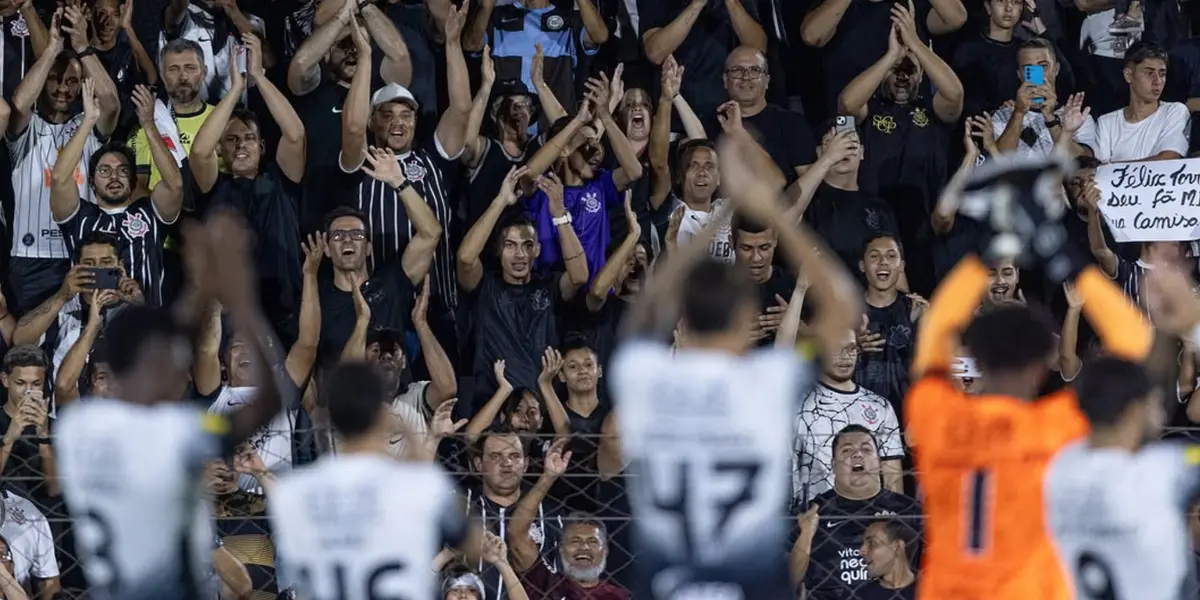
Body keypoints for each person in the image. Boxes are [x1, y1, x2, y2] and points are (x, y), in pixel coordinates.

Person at [608, 130, 860, 599]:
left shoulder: (649, 379)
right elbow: (843, 309)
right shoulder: (766, 382)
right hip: (751, 581)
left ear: (684, 316)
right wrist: (768, 211)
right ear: (745, 316)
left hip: (668, 578)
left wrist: (715, 221)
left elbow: (644, 310)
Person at [904, 187, 1153, 598]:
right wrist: (1062, 252)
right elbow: (1134, 341)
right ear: (1042, 364)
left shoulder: (940, 417)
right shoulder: (1054, 427)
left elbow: (935, 331)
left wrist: (986, 252)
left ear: (975, 355)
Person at [54, 211, 286, 600]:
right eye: (171, 361)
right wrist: (240, 297)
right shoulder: (173, 430)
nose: (180, 371)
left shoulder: (82, 430)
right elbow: (266, 402)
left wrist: (201, 288)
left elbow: (64, 385)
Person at [268, 361, 465, 600]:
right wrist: (419, 437)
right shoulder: (413, 488)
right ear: (382, 419)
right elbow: (467, 537)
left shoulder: (293, 492)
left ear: (329, 417)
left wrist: (432, 437)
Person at [7, 11, 120, 315]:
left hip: (81, 255)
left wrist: (82, 46)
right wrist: (52, 50)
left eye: (71, 81)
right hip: (28, 256)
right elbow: (18, 105)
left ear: (82, 85)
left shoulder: (89, 122)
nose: (62, 88)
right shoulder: (27, 127)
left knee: (84, 335)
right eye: (55, 79)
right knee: (28, 336)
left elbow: (111, 104)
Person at [50, 80, 181, 306]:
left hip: (144, 322)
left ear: (133, 180)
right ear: (91, 182)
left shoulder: (150, 213)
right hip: (87, 322)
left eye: (123, 170)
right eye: (104, 170)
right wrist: (88, 122)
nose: (113, 176)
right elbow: (59, 179)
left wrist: (149, 125)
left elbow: (175, 186)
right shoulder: (79, 217)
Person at [791, 426, 919, 600]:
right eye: (847, 450)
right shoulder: (808, 514)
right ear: (833, 465)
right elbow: (785, 582)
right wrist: (806, 535)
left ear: (879, 463)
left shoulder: (910, 511)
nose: (857, 454)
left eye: (866, 449)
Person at [794, 328, 906, 504]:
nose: (845, 356)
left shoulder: (880, 406)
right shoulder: (799, 403)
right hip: (814, 515)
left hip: (869, 515)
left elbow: (892, 475)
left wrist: (893, 514)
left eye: (851, 348)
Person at [1093, 41, 1190, 162]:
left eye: (1162, 74)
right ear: (1128, 75)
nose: (1157, 81)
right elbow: (1098, 169)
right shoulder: (1106, 123)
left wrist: (1112, 167)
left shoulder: (1174, 112)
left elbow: (1168, 159)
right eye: (1149, 73)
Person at [859, 519, 919, 599]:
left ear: (898, 546)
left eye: (872, 543)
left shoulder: (931, 591)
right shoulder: (859, 596)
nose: (861, 551)